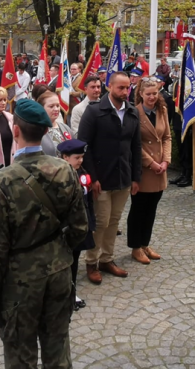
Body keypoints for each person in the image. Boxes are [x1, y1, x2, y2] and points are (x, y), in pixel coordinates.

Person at [0, 99, 88, 368]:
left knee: (20, 352)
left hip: (20, 279)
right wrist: (59, 253)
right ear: (44, 132)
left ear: (15, 131)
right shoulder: (65, 169)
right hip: (59, 272)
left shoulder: (1, 181)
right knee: (57, 346)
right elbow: (79, 228)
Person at [78, 71, 141, 284]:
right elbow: (84, 146)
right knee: (100, 222)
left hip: (123, 177)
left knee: (114, 221)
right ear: (109, 87)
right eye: (120, 88)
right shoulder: (94, 112)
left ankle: (107, 259)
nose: (125, 91)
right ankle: (91, 262)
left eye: (127, 88)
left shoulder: (132, 112)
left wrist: (135, 177)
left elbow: (136, 146)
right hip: (101, 178)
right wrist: (92, 178)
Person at [128, 78, 170, 265]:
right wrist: (151, 163)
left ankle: (145, 243)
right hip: (144, 169)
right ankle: (135, 247)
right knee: (139, 209)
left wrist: (166, 160)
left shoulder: (162, 110)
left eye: (155, 93)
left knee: (151, 209)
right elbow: (134, 144)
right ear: (141, 95)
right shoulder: (134, 114)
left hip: (160, 169)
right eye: (149, 94)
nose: (152, 97)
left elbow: (167, 137)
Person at [57, 139, 96, 311]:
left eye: (82, 157)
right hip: (67, 228)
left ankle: (71, 292)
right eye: (76, 157)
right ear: (65, 157)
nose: (80, 161)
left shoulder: (82, 173)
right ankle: (64, 294)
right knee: (64, 263)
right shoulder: (59, 177)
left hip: (81, 225)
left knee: (74, 261)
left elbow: (89, 201)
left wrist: (91, 223)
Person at [38, 90, 72, 156]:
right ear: (41, 108)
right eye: (51, 106)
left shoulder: (65, 128)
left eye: (58, 105)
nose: (56, 109)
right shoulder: (37, 131)